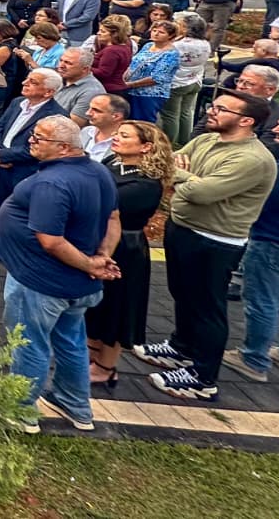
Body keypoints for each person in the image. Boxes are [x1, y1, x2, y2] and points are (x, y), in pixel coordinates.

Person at [134, 91, 278, 401]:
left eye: (221, 109)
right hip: (182, 227)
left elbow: (202, 192)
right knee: (182, 294)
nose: (211, 112)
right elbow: (163, 163)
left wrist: (182, 176)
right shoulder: (206, 140)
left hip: (215, 240)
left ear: (246, 121)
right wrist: (187, 177)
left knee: (207, 308)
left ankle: (203, 376)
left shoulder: (252, 159)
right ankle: (181, 347)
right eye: (214, 106)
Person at [0, 117, 120, 434]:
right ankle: (75, 405)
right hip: (75, 286)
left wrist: (91, 264)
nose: (31, 142)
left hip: (41, 282)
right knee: (71, 342)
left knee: (29, 344)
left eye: (39, 138)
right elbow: (113, 218)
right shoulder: (98, 170)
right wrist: (102, 255)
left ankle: (21, 411)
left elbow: (51, 241)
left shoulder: (53, 184)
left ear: (63, 147)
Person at [84, 120, 174, 389]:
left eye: (125, 136)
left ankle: (105, 367)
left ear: (145, 147)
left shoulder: (146, 184)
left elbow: (105, 203)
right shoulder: (113, 162)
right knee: (95, 305)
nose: (117, 138)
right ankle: (89, 353)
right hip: (101, 239)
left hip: (125, 247)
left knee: (116, 307)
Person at [228, 110, 279, 382]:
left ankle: (253, 358)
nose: (276, 129)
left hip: (277, 240)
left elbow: (264, 199)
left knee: (262, 300)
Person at [0, 69, 69, 206]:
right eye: (27, 79)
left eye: (33, 82)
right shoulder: (17, 102)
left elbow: (42, 147)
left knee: (23, 213)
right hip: (3, 168)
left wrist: (3, 154)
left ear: (48, 92)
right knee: (4, 207)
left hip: (26, 173)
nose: (24, 83)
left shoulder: (56, 116)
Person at [162, 12, 212, 146]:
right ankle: (184, 141)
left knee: (170, 115)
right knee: (186, 112)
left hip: (177, 82)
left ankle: (168, 143)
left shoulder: (178, 45)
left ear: (186, 28)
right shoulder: (205, 43)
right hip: (195, 80)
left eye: (179, 24)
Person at [123, 20, 181, 124]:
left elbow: (157, 78)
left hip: (150, 94)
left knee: (143, 124)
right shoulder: (148, 45)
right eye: (154, 30)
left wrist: (130, 84)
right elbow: (134, 63)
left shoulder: (171, 54)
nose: (156, 33)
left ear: (171, 36)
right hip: (131, 90)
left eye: (161, 32)